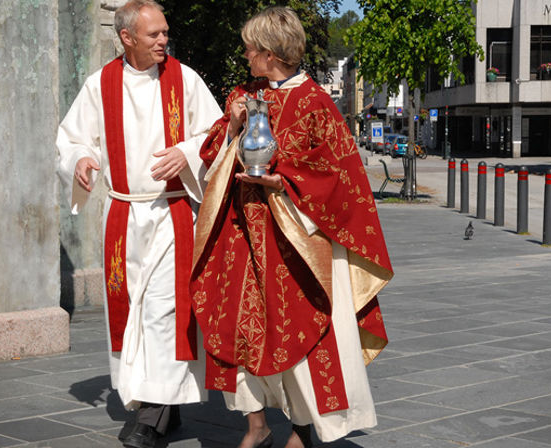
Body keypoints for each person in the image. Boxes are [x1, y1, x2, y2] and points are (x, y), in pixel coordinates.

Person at [191, 7, 393, 448]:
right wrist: (236, 127)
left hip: (297, 241)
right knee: (241, 331)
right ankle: (256, 423)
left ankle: (302, 430)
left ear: (270, 53)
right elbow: (214, 153)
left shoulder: (316, 101)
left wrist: (283, 180)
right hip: (244, 234)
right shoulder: (244, 95)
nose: (245, 56)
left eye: (251, 49)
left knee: (303, 331)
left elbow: (340, 176)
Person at [56, 1, 222, 447]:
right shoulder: (101, 85)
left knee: (164, 313)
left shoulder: (184, 80)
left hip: (172, 215)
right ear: (127, 37)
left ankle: (150, 420)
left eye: (165, 32)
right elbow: (70, 137)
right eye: (154, 35)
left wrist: (186, 154)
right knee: (131, 312)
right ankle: (165, 404)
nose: (164, 40)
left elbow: (217, 133)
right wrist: (82, 160)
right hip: (124, 217)